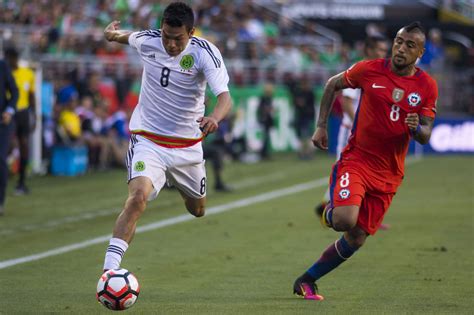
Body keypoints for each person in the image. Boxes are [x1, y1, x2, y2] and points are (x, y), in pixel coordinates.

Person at [293, 21, 438, 300]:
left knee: (357, 237)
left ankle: (307, 279)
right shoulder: (369, 69)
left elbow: (426, 133)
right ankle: (330, 211)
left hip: (390, 174)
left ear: (420, 51)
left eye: (409, 44)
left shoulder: (427, 86)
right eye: (398, 41)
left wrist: (415, 128)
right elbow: (332, 84)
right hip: (357, 160)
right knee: (345, 220)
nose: (400, 48)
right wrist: (321, 125)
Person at [101, 2, 232, 271]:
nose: (170, 45)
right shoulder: (150, 41)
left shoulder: (206, 53)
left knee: (198, 210)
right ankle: (109, 272)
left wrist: (215, 118)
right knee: (137, 199)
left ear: (191, 32)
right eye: (166, 37)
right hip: (148, 140)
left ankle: (177, 182)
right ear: (161, 29)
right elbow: (125, 36)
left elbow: (224, 97)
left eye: (178, 39)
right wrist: (110, 34)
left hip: (188, 147)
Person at [315, 36, 390, 230]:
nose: (383, 54)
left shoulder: (381, 72)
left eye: (385, 50)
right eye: (380, 49)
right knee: (345, 170)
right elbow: (347, 100)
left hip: (367, 136)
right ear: (369, 50)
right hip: (351, 132)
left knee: (366, 173)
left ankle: (349, 211)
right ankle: (332, 207)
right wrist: (361, 125)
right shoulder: (361, 68)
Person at [4, 47, 36, 195]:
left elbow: (31, 96)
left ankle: (21, 182)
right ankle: (9, 170)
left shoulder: (27, 73)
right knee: (9, 145)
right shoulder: (5, 73)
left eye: (14, 57)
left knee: (23, 145)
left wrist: (34, 115)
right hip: (8, 113)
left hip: (22, 112)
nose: (12, 61)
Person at [0, 56, 19, 215]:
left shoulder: (2, 66)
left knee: (0, 159)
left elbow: (14, 91)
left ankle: (0, 202)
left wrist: (9, 110)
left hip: (2, 122)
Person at [257, 83, 275, 160]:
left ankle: (265, 153)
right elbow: (263, 109)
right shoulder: (264, 98)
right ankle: (263, 153)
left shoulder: (268, 98)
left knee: (266, 138)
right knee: (265, 138)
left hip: (267, 120)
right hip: (265, 120)